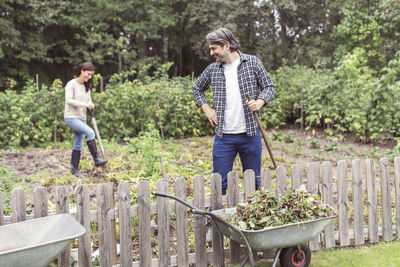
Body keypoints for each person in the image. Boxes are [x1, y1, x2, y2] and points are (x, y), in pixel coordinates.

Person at [192, 28, 275, 195]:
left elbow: (269, 87)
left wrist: (260, 101)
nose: (211, 52)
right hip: (224, 137)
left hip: (250, 135)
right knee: (219, 185)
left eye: (214, 48)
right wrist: (207, 109)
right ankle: (217, 220)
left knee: (254, 184)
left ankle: (252, 219)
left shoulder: (252, 63)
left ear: (227, 45)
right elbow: (196, 89)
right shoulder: (213, 69)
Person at [64, 62, 108, 176]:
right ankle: (96, 159)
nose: (89, 77)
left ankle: (74, 170)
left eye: (91, 75)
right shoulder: (71, 84)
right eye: (88, 74)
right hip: (71, 117)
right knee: (90, 132)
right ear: (82, 71)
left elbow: (89, 100)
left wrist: (90, 104)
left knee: (78, 144)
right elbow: (69, 100)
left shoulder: (86, 86)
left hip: (81, 118)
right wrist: (85, 104)